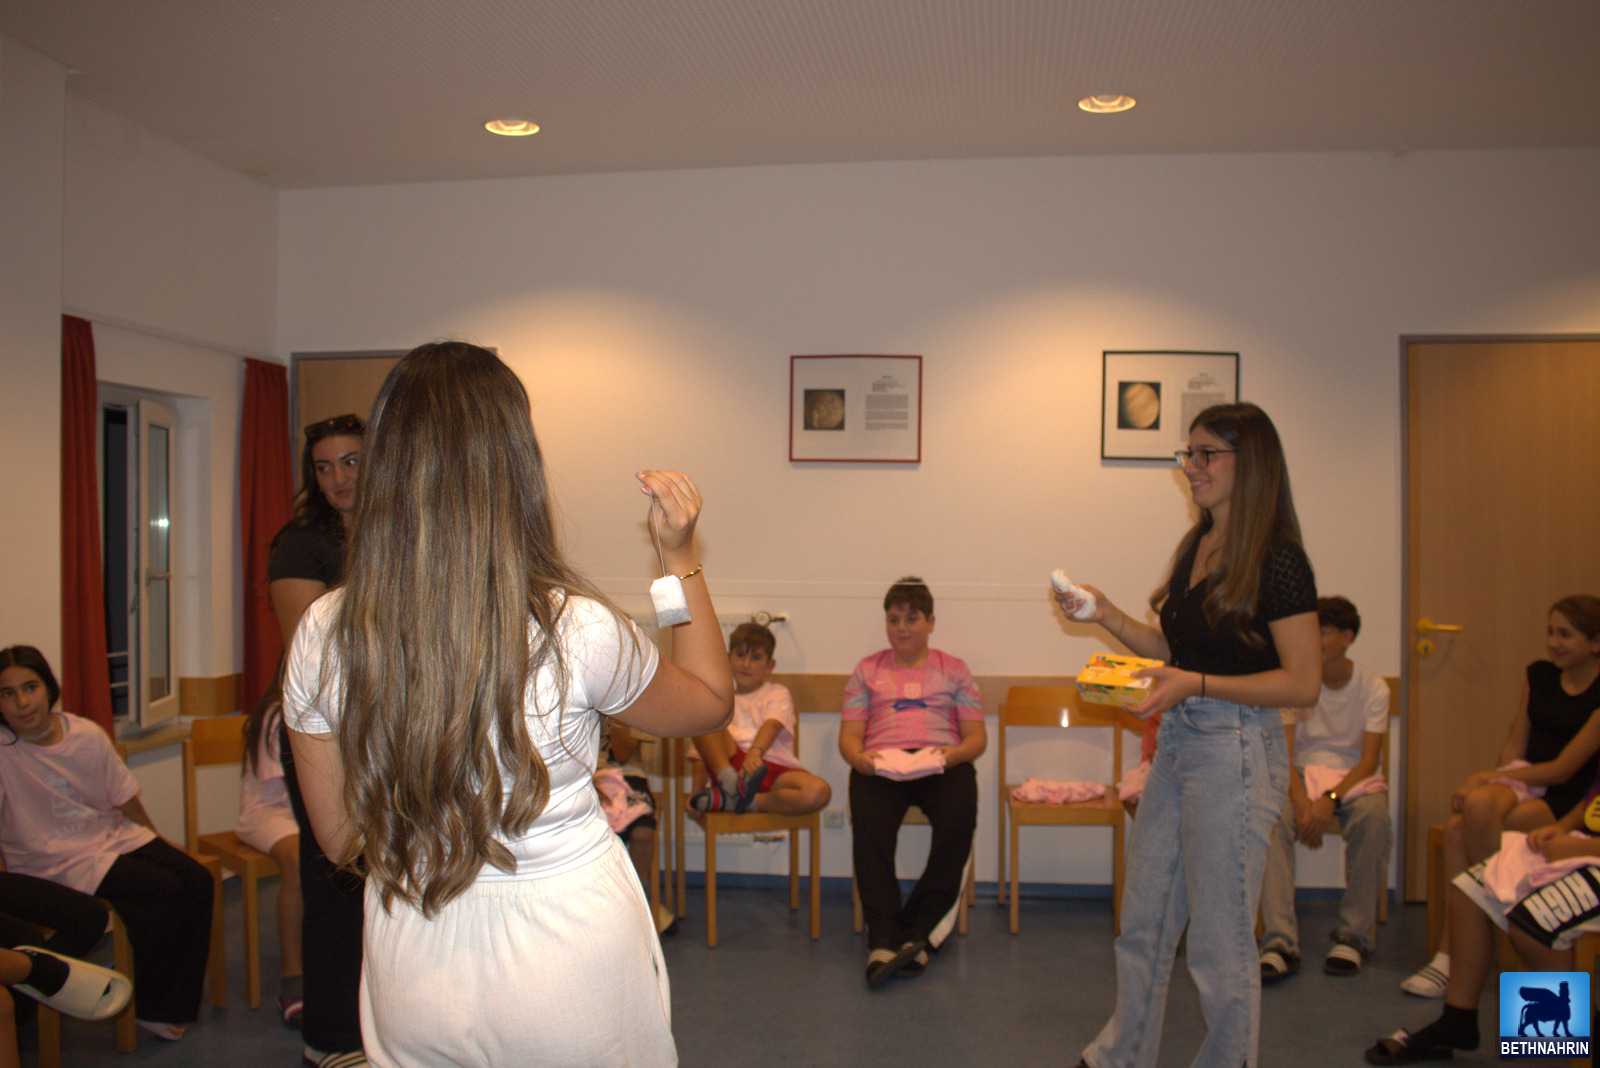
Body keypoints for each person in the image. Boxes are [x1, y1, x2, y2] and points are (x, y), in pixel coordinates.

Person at [283, 341, 734, 1066]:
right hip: (566, 953)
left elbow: (341, 838)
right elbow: (710, 701)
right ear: (515, 465)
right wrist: (678, 558)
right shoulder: (574, 628)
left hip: (412, 949)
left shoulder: (322, 632)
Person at [1056, 403, 1320, 1068]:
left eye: (1206, 455)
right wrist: (1106, 614)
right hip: (1178, 744)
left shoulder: (1279, 561)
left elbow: (1302, 683)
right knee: (1142, 924)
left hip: (1236, 751)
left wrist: (1195, 684)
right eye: (1188, 454)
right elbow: (1175, 649)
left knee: (1219, 946)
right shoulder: (1197, 544)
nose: (1191, 468)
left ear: (1249, 464)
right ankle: (1122, 1055)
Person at [0, 645, 214, 1042]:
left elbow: (122, 796)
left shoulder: (84, 733)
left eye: (30, 687)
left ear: (48, 687)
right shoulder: (4, 750)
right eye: (7, 694)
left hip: (109, 832)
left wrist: (156, 839)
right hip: (53, 856)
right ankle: (152, 1007)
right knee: (161, 890)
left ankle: (176, 997)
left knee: (197, 879)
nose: (22, 703)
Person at [1400, 595, 1600, 998]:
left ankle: (1466, 949)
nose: (1553, 642)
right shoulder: (1540, 675)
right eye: (1550, 632)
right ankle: (1462, 999)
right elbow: (1516, 740)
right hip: (1542, 790)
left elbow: (1565, 771)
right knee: (1472, 816)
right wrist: (1502, 781)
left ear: (1596, 643)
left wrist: (1486, 778)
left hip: (1569, 797)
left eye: (1565, 635)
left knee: (1461, 834)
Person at [1366, 779, 1600, 1063]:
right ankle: (1458, 1021)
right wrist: (1561, 828)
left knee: (1532, 922)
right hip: (1582, 847)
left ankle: (1567, 1036)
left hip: (1590, 854)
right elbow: (1592, 799)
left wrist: (1583, 849)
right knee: (1472, 889)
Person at [268, 412, 369, 1068]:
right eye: (324, 466)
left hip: (383, 730)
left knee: (382, 884)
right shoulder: (302, 544)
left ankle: (382, 1026)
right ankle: (330, 1038)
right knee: (335, 880)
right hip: (323, 731)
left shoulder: (395, 531)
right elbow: (308, 658)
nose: (338, 478)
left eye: (351, 462)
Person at [840, 577, 984, 988]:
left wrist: (952, 755)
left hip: (941, 763)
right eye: (894, 620)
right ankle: (884, 937)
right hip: (882, 765)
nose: (902, 628)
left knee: (960, 812)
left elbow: (976, 738)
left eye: (911, 619)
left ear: (930, 622)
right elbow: (849, 737)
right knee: (869, 823)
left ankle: (918, 930)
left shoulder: (954, 670)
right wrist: (859, 759)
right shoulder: (866, 670)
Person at [1258, 595, 1392, 980]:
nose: (1313, 640)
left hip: (1353, 777)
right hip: (1299, 774)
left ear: (1347, 638)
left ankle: (1353, 936)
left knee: (1375, 819)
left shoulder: (1374, 688)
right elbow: (1283, 755)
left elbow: (1369, 761)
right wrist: (1301, 800)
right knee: (1270, 820)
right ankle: (1279, 941)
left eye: (1325, 632)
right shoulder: (1296, 682)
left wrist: (1329, 801)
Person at [689, 622, 832, 816]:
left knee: (819, 792)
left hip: (769, 765)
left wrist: (755, 752)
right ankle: (732, 785)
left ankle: (742, 801)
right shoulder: (719, 700)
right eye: (740, 655)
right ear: (728, 659)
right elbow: (701, 753)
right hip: (727, 767)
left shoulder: (777, 693)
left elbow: (772, 725)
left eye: (756, 658)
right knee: (704, 712)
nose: (746, 664)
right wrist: (696, 793)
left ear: (769, 666)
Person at [237, 678, 304, 1026]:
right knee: (300, 859)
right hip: (271, 811)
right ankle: (293, 976)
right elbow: (298, 787)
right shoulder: (277, 714)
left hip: (312, 808)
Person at [594, 720, 677, 936]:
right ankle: (605, 903)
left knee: (643, 832)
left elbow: (623, 753)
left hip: (629, 774)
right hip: (588, 776)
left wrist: (610, 713)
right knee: (600, 833)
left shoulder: (628, 706)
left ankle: (641, 899)